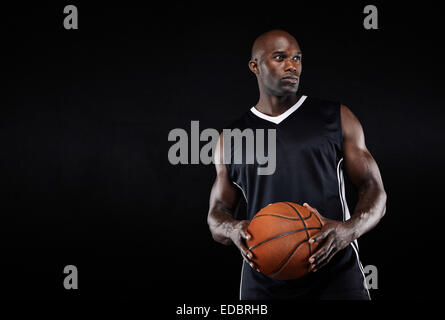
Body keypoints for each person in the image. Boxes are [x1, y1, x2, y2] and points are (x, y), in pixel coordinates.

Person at [207, 29, 387, 300]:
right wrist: (232, 229)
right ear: (255, 66)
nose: (292, 66)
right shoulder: (231, 138)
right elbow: (217, 213)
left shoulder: (336, 117)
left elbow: (374, 189)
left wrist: (349, 231)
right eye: (280, 57)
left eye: (297, 58)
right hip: (264, 280)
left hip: (336, 276)